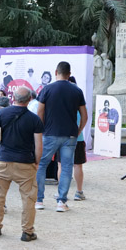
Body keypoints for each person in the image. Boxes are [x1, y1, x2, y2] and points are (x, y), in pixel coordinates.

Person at [0, 88, 44, 242]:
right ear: (29, 100)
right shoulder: (34, 120)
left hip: (4, 160)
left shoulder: (1, 114)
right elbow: (39, 145)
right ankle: (27, 231)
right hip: (25, 162)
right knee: (28, 198)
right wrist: (37, 161)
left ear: (13, 98)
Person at [35, 61, 87, 213]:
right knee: (66, 167)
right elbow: (84, 115)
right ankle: (61, 202)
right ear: (69, 74)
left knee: (41, 165)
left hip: (50, 133)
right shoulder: (77, 91)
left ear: (55, 72)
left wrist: (41, 129)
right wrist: (78, 130)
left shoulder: (47, 89)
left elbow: (39, 112)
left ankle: (39, 200)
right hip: (70, 134)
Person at [68, 76, 87, 201]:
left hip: (63, 136)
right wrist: (79, 131)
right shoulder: (79, 99)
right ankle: (79, 192)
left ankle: (61, 193)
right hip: (77, 137)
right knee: (77, 165)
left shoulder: (63, 100)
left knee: (61, 165)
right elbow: (84, 117)